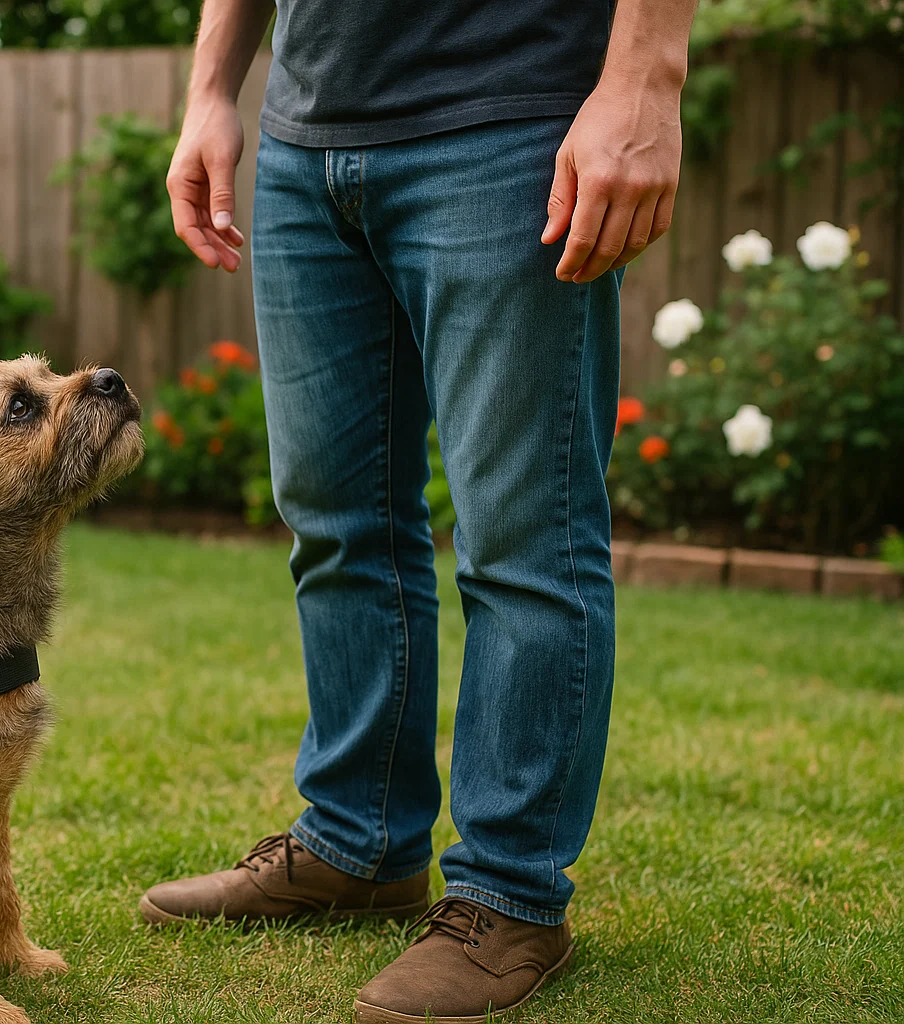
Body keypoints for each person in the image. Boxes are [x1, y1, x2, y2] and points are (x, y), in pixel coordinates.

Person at [142, 1, 696, 1019]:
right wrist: (214, 89)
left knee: (526, 536)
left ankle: (510, 897)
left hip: (510, 118)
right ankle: (359, 843)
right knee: (335, 526)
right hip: (307, 139)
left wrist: (646, 75)